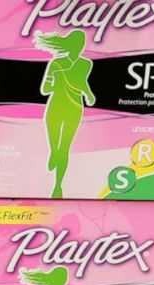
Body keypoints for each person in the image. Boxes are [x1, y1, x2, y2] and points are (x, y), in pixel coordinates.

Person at [36, 29, 95, 198]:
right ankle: (54, 152)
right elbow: (46, 89)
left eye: (82, 43)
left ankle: (58, 186)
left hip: (75, 108)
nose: (81, 46)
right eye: (78, 43)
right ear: (70, 45)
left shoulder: (86, 64)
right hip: (55, 106)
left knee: (65, 149)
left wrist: (89, 95)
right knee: (57, 148)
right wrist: (56, 80)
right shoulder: (56, 63)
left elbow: (82, 83)